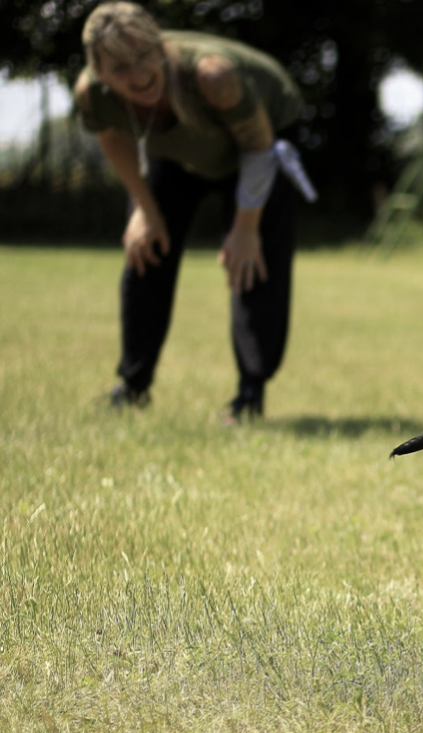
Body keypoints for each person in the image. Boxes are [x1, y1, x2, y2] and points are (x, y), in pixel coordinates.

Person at [74, 2, 316, 423]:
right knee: (145, 251)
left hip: (258, 145)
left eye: (145, 56)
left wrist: (244, 228)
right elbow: (112, 137)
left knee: (252, 265)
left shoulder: (212, 76)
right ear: (99, 71)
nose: (139, 75)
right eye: (120, 68)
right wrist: (143, 209)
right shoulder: (93, 94)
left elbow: (259, 147)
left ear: (160, 46)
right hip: (178, 152)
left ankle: (249, 395)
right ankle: (132, 385)